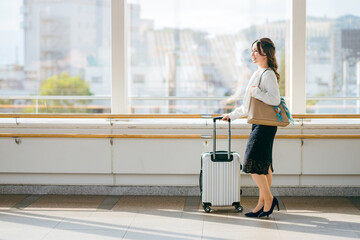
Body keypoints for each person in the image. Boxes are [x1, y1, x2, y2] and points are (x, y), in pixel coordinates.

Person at [221, 38, 281, 218]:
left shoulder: (268, 74)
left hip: (265, 126)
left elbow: (274, 100)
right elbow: (247, 107)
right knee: (264, 167)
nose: (252, 54)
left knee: (253, 165)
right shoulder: (258, 73)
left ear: (266, 53)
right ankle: (261, 204)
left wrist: (256, 92)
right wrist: (230, 116)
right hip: (259, 123)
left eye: (256, 51)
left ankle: (269, 200)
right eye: (252, 50)